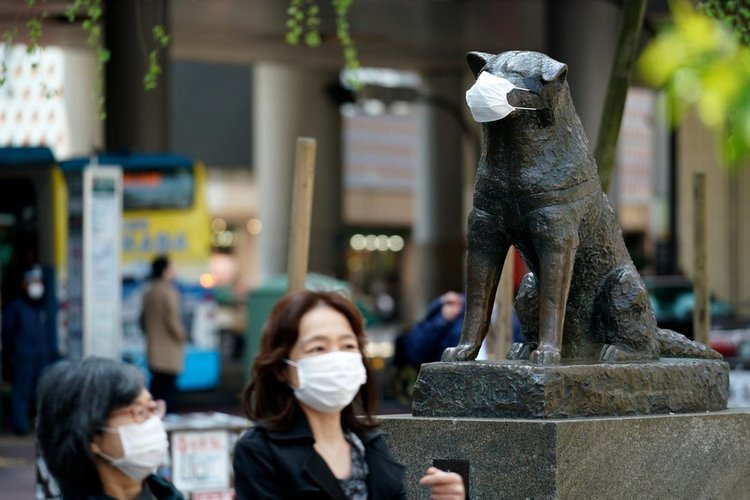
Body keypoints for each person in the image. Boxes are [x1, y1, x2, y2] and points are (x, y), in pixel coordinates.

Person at [233, 289, 465, 499]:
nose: (337, 359)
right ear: (284, 368)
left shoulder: (369, 444)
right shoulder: (260, 451)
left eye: (347, 346)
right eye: (318, 348)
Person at [36, 356, 183, 499]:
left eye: (153, 408)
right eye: (140, 412)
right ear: (93, 436)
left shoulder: (166, 494)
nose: (153, 422)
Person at [1, 265, 57, 435]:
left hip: (43, 357)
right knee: (21, 394)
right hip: (23, 357)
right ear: (24, 284)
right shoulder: (15, 307)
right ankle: (20, 427)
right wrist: (10, 356)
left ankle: (43, 427)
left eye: (38, 281)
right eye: (32, 281)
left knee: (43, 393)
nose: (36, 285)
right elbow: (8, 334)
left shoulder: (43, 307)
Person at [141, 255, 187, 408]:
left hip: (153, 350)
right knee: (168, 395)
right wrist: (183, 336)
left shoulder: (149, 292)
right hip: (169, 351)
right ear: (165, 271)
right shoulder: (169, 292)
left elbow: (141, 321)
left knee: (155, 390)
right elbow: (173, 321)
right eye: (171, 268)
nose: (174, 272)